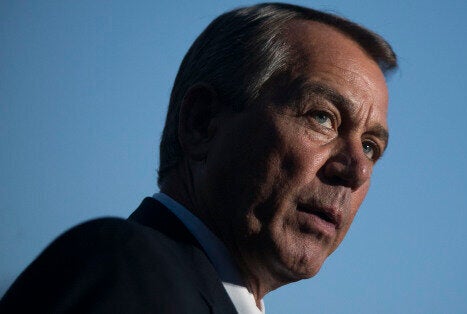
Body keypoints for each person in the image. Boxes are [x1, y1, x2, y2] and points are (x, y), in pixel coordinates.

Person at [0, 2, 397, 313]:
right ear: (202, 123)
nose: (357, 170)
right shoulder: (127, 270)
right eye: (323, 117)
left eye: (370, 146)